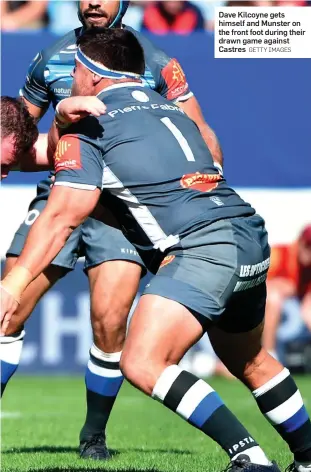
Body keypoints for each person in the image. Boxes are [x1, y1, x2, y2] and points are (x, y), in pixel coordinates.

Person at [2, 28, 311, 472]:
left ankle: (250, 458)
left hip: (203, 248)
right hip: (246, 232)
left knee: (143, 360)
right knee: (249, 359)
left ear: (92, 76)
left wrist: (12, 284)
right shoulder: (167, 107)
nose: (68, 80)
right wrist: (64, 127)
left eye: (73, 71)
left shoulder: (90, 127)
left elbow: (62, 217)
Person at [0, 0, 222, 461]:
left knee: (108, 324)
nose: (93, 2)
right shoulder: (51, 58)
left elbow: (199, 129)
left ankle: (93, 437)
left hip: (122, 209)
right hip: (60, 194)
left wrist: (209, 188)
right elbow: (17, 133)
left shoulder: (156, 62)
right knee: (7, 308)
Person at [264, 225, 311, 363]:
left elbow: (307, 309)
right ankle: (269, 355)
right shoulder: (279, 254)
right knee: (273, 297)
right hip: (268, 310)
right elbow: (255, 285)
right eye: (308, 245)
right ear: (300, 242)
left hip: (294, 316)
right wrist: (279, 285)